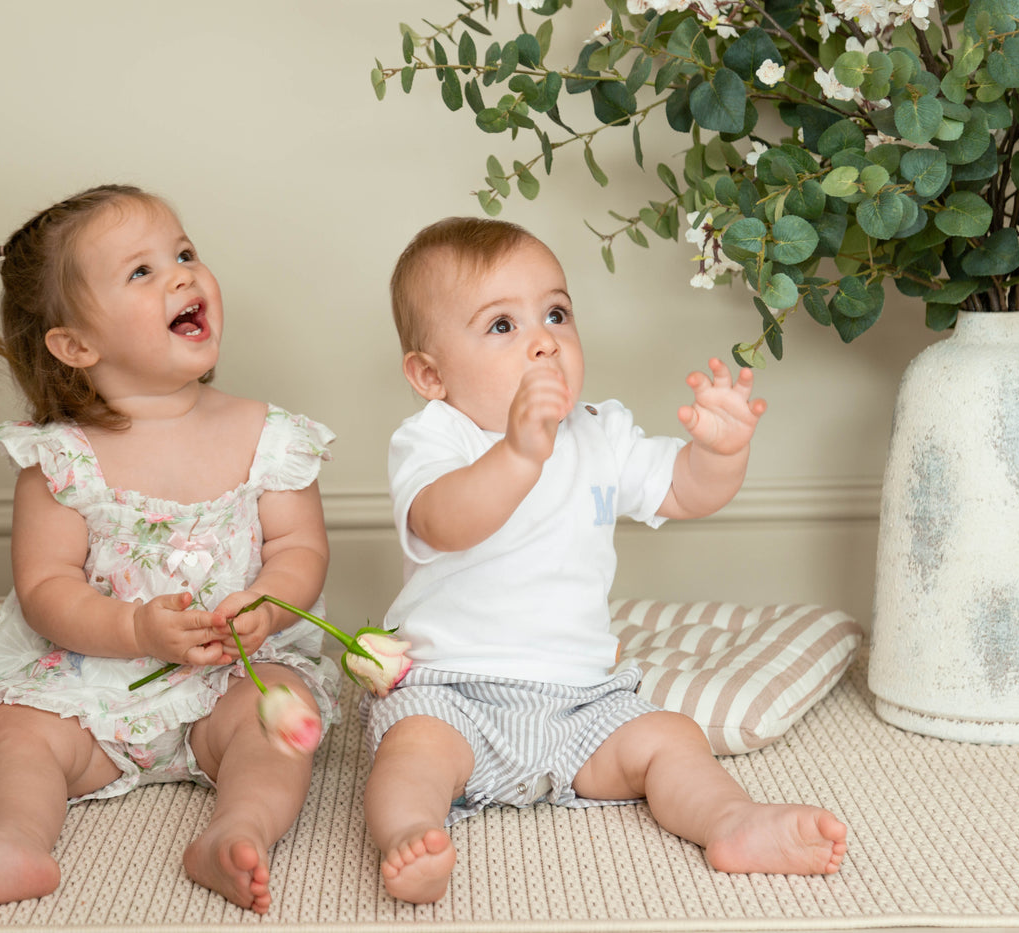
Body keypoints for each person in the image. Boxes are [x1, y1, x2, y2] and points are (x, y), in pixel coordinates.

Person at [362, 217, 848, 904]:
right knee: (409, 752)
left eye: (556, 313)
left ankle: (730, 820)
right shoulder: (436, 438)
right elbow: (442, 521)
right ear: (430, 374)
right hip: (453, 690)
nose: (543, 340)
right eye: (502, 326)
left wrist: (719, 452)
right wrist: (519, 453)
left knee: (671, 737)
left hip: (583, 702)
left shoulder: (599, 431)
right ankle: (412, 834)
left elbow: (682, 491)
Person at [0, 184, 338, 914]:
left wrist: (268, 601)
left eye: (185, 253)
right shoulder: (61, 457)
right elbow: (46, 585)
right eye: (142, 271)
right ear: (75, 345)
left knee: (281, 714)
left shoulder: (270, 435)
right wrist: (135, 628)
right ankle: (13, 840)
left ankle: (238, 829)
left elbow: (300, 545)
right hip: (87, 685)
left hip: (228, 680)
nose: (183, 274)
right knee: (17, 732)